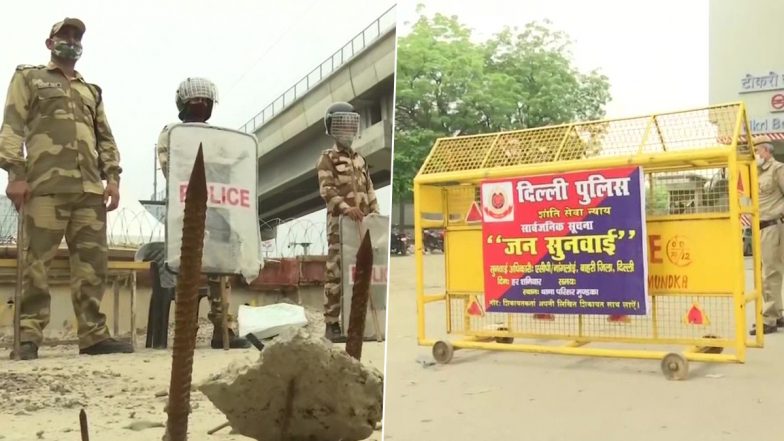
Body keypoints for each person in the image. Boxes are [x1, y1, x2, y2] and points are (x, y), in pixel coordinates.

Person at [0, 18, 131, 359]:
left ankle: (93, 335)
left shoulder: (92, 92)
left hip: (89, 191)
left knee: (92, 266)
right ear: (50, 43)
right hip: (45, 188)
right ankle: (27, 337)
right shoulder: (30, 77)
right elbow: (12, 124)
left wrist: (112, 179)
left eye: (77, 36)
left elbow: (105, 137)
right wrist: (15, 173)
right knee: (36, 265)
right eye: (65, 35)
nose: (71, 41)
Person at [155, 77, 250, 349]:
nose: (201, 104)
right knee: (187, 269)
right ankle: (186, 330)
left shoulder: (219, 136)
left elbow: (227, 170)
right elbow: (171, 169)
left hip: (219, 211)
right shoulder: (172, 134)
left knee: (221, 271)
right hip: (187, 212)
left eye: (205, 100)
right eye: (195, 100)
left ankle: (223, 330)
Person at [316, 101, 380, 342]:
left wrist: (375, 213)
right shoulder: (327, 158)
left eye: (350, 126)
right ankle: (331, 324)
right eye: (341, 126)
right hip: (340, 226)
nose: (347, 131)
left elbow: (370, 189)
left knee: (362, 271)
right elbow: (327, 191)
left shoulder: (360, 160)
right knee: (336, 273)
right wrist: (346, 208)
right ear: (331, 129)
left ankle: (359, 322)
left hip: (363, 225)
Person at [752, 135, 784, 335]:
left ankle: (770, 319)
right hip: (760, 227)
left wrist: (780, 213)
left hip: (773, 226)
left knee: (770, 272)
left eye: (756, 151)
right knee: (767, 271)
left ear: (766, 151)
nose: (755, 155)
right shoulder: (755, 172)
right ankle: (778, 314)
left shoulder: (777, 169)